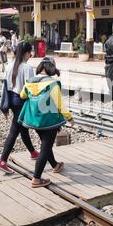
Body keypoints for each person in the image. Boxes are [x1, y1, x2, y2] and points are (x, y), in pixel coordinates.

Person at [20, 57, 74, 188]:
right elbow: (59, 104)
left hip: (35, 120)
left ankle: (55, 165)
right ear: (51, 68)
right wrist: (69, 117)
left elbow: (22, 96)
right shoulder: (53, 83)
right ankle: (36, 178)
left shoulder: (29, 82)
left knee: (46, 144)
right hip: (49, 121)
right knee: (45, 148)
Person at [0, 43, 39, 174]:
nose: (30, 56)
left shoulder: (9, 66)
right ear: (27, 53)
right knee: (15, 130)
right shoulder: (27, 68)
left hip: (13, 101)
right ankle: (2, 161)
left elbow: (6, 88)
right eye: (30, 53)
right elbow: (31, 89)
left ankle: (33, 153)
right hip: (22, 101)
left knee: (22, 128)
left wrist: (6, 106)